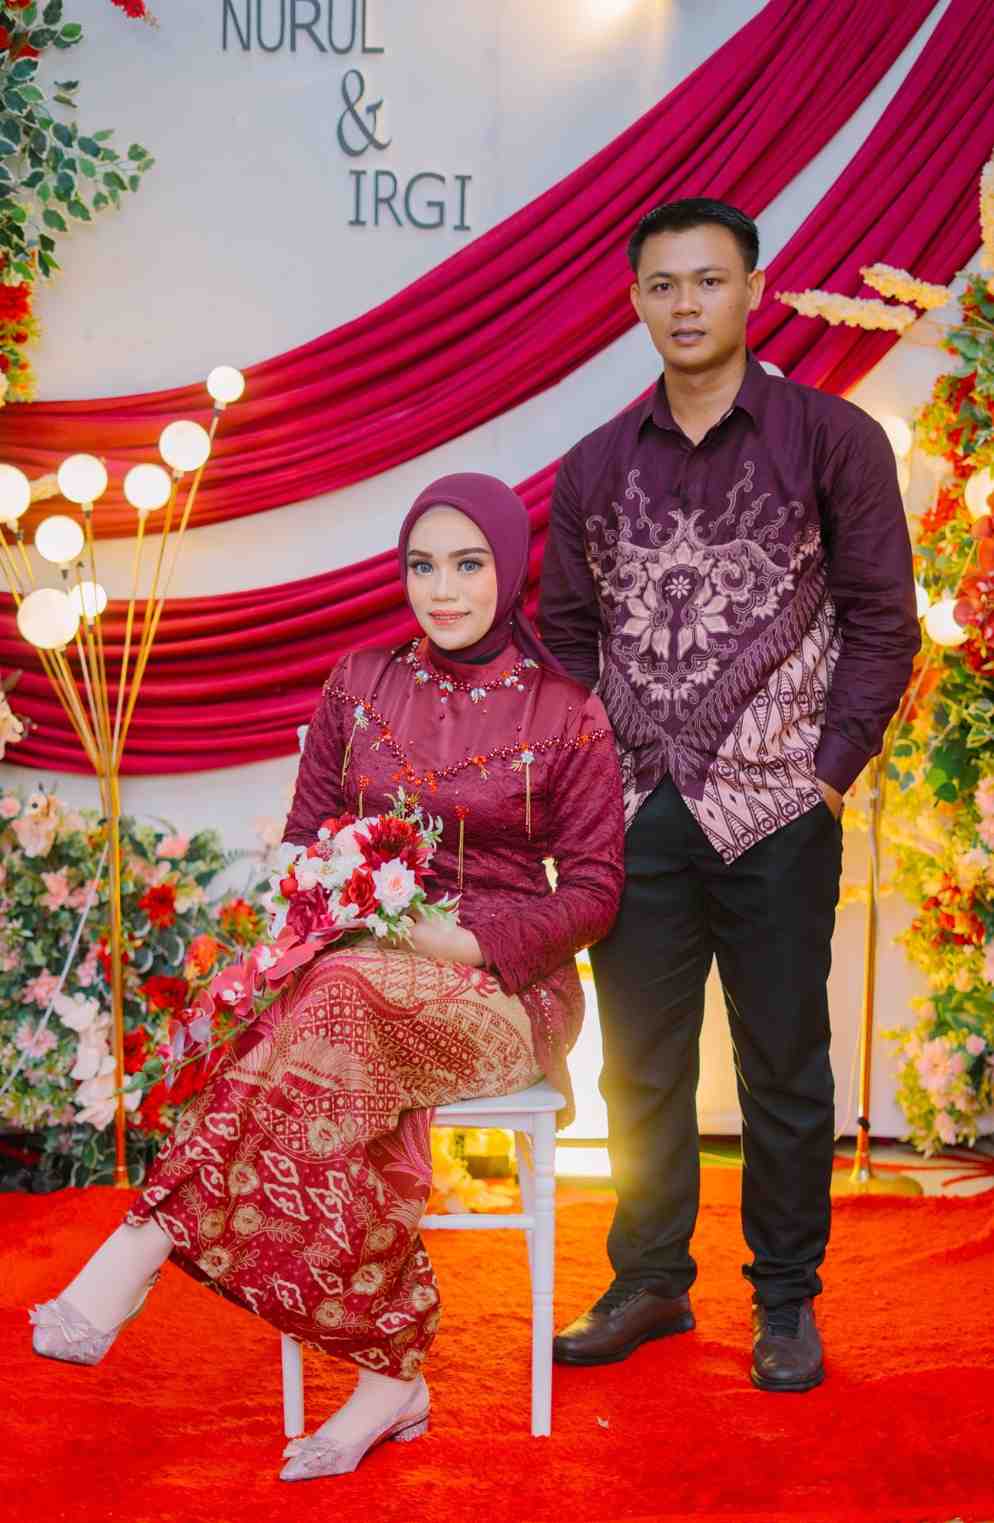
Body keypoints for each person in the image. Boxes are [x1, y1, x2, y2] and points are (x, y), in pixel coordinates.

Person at [28, 473, 625, 1479]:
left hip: (505, 992)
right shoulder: (360, 682)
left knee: (328, 1002)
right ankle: (389, 1374)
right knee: (330, 1004)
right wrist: (335, 895)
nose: (442, 589)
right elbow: (308, 837)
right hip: (358, 970)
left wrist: (468, 942)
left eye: (467, 564)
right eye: (422, 566)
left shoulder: (565, 712)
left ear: (509, 568)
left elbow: (599, 890)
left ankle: (145, 1239)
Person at [539, 198, 920, 1392]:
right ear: (636, 302)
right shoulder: (596, 463)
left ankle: (786, 1298)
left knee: (782, 1064)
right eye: (663, 285)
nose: (687, 303)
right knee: (639, 1063)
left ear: (753, 288)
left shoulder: (831, 440)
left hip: (779, 809)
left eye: (709, 280)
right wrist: (595, 778)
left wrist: (827, 771)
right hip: (637, 813)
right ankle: (649, 1278)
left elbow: (882, 620)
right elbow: (564, 632)